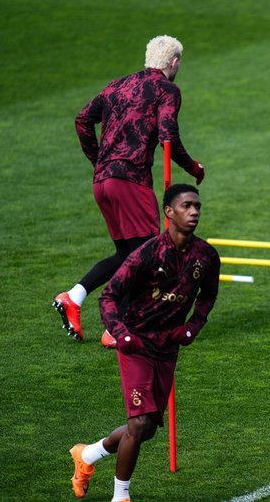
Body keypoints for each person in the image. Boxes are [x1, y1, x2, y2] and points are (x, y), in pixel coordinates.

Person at [68, 183, 219, 501]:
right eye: (187, 206)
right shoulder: (147, 254)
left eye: (197, 206)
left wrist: (193, 326)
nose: (194, 212)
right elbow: (109, 296)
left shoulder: (206, 256)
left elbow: (208, 295)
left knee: (147, 427)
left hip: (168, 348)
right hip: (136, 346)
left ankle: (88, 454)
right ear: (169, 212)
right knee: (138, 423)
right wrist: (120, 333)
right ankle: (120, 496)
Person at [54, 35, 205, 347]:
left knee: (127, 254)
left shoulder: (117, 85)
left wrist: (99, 161)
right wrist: (193, 168)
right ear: (174, 62)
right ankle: (116, 330)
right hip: (131, 180)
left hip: (103, 182)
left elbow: (82, 120)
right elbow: (169, 136)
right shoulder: (167, 90)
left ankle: (74, 297)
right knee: (148, 255)